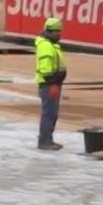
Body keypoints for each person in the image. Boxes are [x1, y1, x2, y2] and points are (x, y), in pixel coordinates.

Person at [34, 18, 67, 151]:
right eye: (57, 32)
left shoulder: (52, 44)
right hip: (49, 85)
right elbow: (46, 68)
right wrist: (52, 84)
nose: (59, 34)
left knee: (52, 113)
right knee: (49, 113)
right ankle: (45, 141)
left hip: (54, 83)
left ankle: (48, 139)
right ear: (50, 31)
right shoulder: (46, 46)